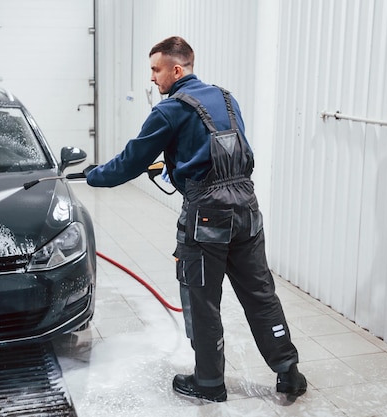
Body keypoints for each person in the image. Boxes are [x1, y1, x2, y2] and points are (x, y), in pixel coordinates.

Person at [84, 36, 307, 402]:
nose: (153, 79)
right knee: (260, 293)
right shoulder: (225, 97)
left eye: (156, 70)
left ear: (176, 69)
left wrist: (94, 175)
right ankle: (288, 372)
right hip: (246, 209)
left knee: (202, 299)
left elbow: (131, 160)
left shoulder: (169, 110)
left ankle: (209, 383)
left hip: (206, 218)